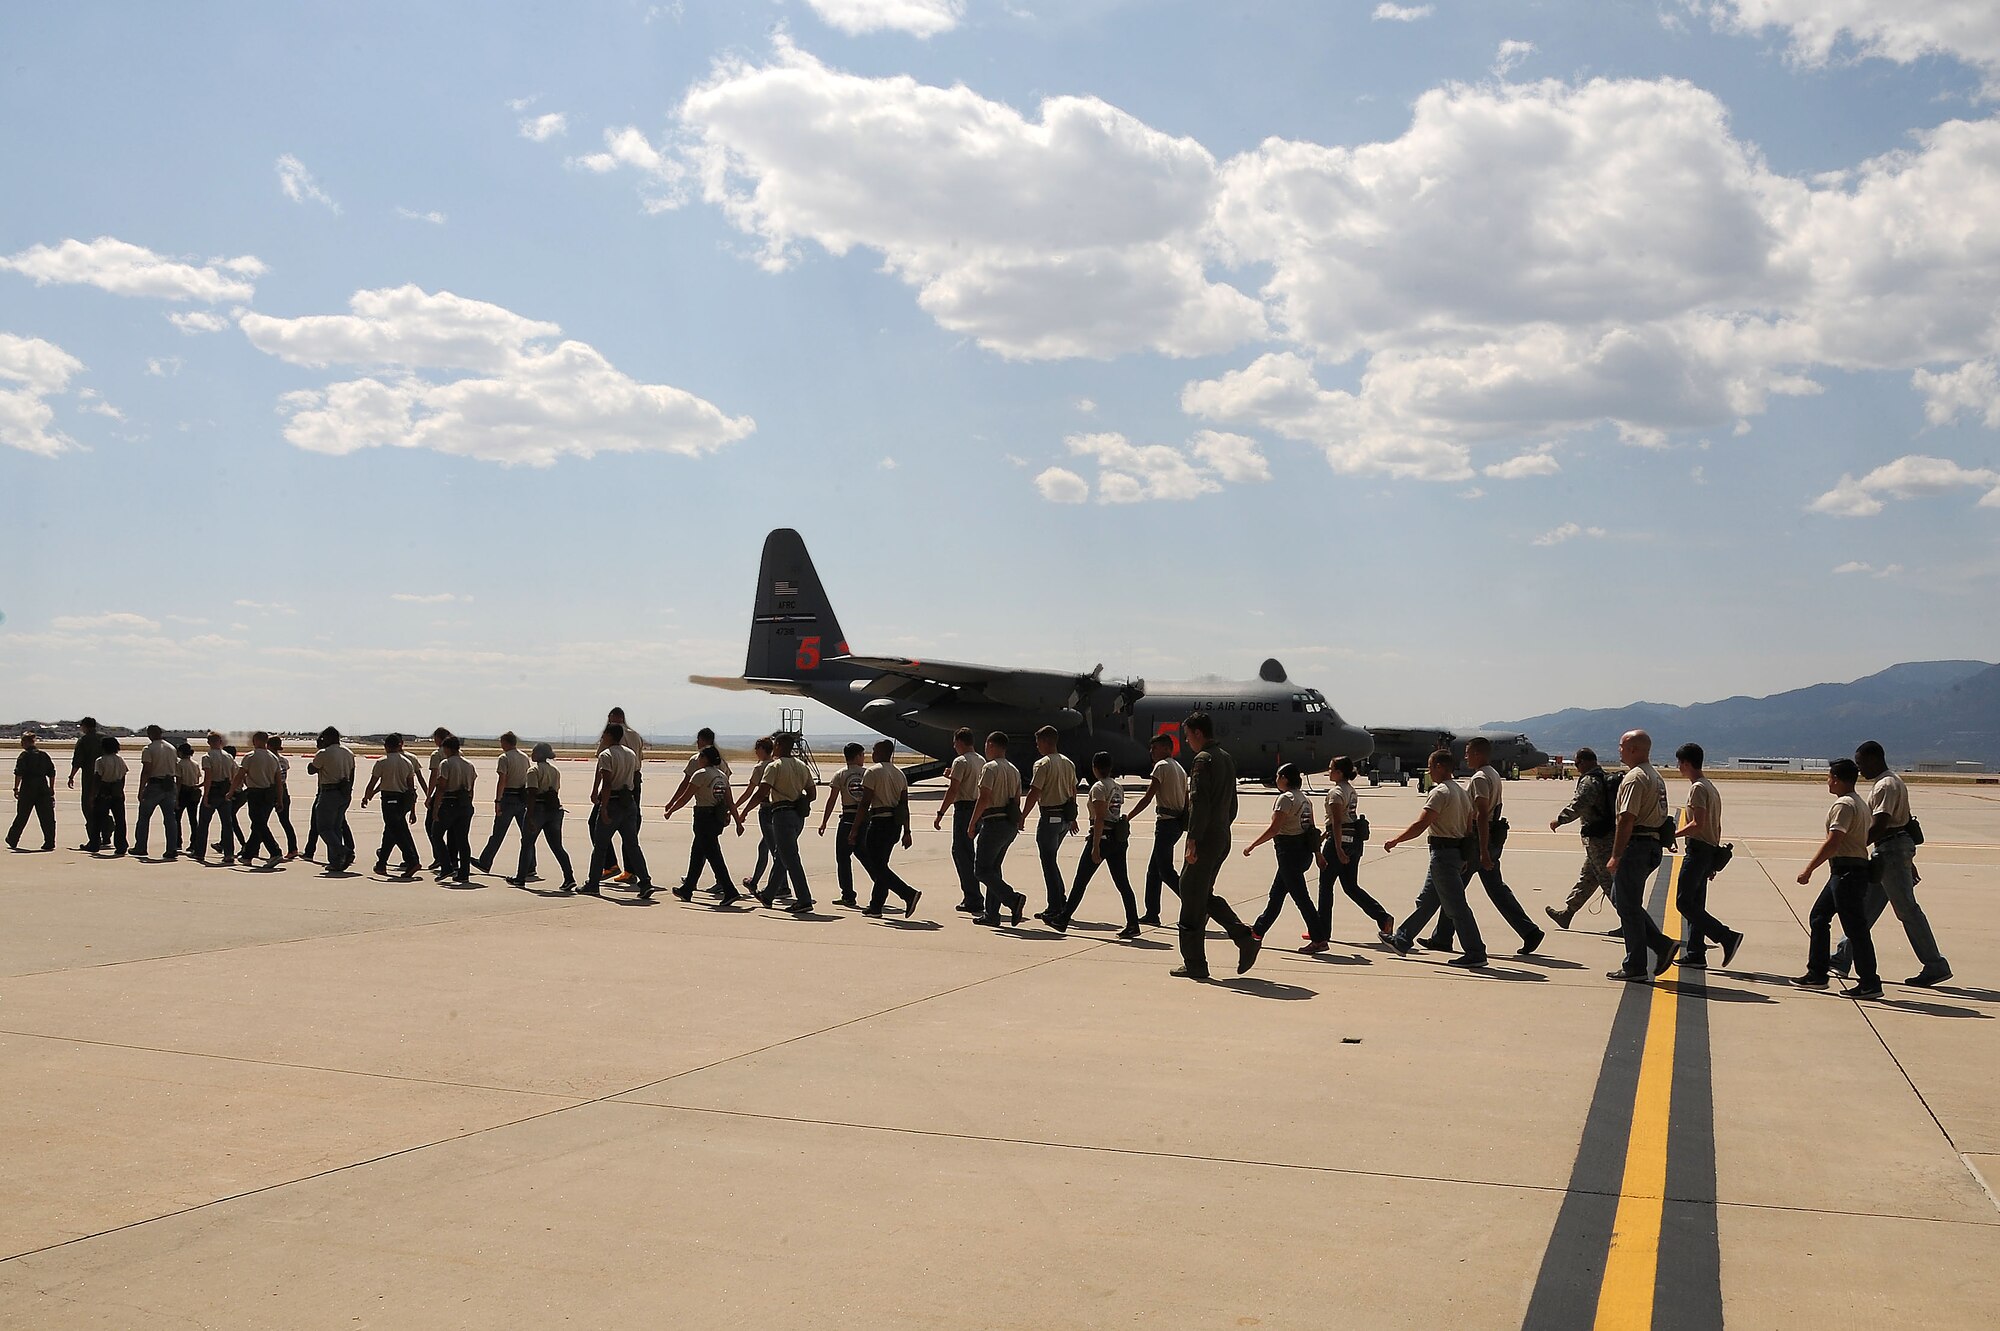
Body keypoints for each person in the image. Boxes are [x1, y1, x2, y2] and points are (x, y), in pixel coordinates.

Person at [1835, 741, 1950, 988]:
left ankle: (1935, 965)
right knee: (1865, 909)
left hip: (1890, 850)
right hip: (1891, 851)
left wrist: (1856, 848)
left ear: (1875, 759)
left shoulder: (1886, 784)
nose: (1859, 769)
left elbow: (1882, 823)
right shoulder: (1887, 782)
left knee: (1907, 910)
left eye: (1861, 763)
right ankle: (1842, 957)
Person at [1421, 736, 1543, 955]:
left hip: (1479, 842)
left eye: (1468, 752)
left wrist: (1483, 850)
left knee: (1451, 890)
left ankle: (1443, 938)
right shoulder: (1493, 774)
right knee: (1495, 890)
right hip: (1491, 839)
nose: (1465, 757)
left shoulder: (1479, 778)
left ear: (1477, 753)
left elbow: (1483, 814)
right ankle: (1529, 931)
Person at [1172, 712, 1259, 981]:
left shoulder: (1203, 760)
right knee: (1200, 894)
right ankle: (1242, 937)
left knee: (1189, 894)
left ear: (1198, 733)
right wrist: (1222, 828)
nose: (1187, 742)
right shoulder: (1225, 757)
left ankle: (1200, 960)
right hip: (1221, 834)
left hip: (1206, 837)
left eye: (1188, 736)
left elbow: (1199, 803)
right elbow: (1231, 803)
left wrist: (1193, 839)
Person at [1382, 750, 1485, 969]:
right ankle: (1402, 940)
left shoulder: (1440, 792)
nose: (1429, 771)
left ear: (1439, 766)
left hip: (1443, 854)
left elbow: (1421, 824)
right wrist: (1464, 856)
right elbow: (1469, 826)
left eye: (1430, 766)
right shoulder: (1462, 791)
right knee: (1427, 902)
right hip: (1455, 853)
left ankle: (1475, 951)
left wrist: (1396, 840)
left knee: (1456, 907)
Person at [1793, 759, 1883, 1000]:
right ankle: (1817, 973)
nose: (1828, 781)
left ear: (1839, 779)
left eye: (1830, 777)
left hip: (1847, 872)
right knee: (1819, 916)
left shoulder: (1844, 805)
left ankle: (1869, 982)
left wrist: (1809, 869)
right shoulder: (1859, 803)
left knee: (1855, 928)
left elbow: (1834, 841)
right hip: (1847, 871)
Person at [1604, 729, 1679, 982]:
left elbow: (1626, 819)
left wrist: (1616, 854)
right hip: (1650, 845)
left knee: (1628, 907)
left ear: (1634, 749)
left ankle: (1636, 964)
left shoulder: (1635, 778)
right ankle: (1660, 945)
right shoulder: (1655, 776)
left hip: (1636, 846)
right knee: (1622, 899)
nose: (1619, 750)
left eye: (1622, 746)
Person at [1057, 750, 1140, 938]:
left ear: (1095, 768)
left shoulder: (1098, 788)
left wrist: (1095, 847)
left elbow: (1100, 818)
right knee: (1123, 883)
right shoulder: (1118, 787)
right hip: (1117, 840)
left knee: (1081, 880)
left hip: (1102, 838)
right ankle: (1133, 922)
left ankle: (1063, 918)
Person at [1675, 743, 1743, 968]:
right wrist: (1713, 860)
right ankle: (1696, 952)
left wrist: (1672, 835)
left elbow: (1698, 823)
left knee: (1684, 902)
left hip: (1697, 852)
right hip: (1708, 851)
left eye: (1679, 763)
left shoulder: (1697, 788)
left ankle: (1726, 936)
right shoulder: (1710, 787)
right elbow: (1717, 826)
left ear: (1686, 763)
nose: (1678, 768)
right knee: (1696, 904)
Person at [1315, 755, 1393, 947]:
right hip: (1355, 841)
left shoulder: (1335, 794)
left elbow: (1337, 821)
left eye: (1331, 769)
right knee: (1350, 886)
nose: (1329, 772)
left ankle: (1322, 932)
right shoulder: (1351, 790)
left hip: (1340, 842)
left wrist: (1338, 848)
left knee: (1326, 886)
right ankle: (1383, 918)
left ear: (1339, 772)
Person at [1243, 763, 1319, 948]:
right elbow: (1312, 830)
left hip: (1289, 852)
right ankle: (1258, 931)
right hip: (1303, 852)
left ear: (1284, 778)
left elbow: (1274, 829)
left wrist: (1252, 845)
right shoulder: (1305, 799)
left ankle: (1319, 937)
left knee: (1301, 898)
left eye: (1278, 776)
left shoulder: (1285, 799)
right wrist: (1317, 854)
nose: (1276, 779)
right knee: (1276, 895)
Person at [1546, 746, 1615, 930]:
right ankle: (1567, 913)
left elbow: (1580, 803)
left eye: (1577, 763)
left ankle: (1632, 921)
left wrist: (1560, 820)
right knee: (1589, 877)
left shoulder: (1590, 781)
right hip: (1602, 837)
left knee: (1609, 883)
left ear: (1585, 762)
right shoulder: (1604, 777)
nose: (1577, 768)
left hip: (1599, 839)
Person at [745, 733, 815, 912]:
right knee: (782, 855)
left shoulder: (774, 767)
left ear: (778, 745)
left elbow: (762, 793)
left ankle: (804, 899)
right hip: (798, 816)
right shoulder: (802, 766)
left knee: (790, 858)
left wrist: (745, 811)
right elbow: (812, 794)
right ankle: (768, 895)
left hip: (781, 814)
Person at [853, 740, 920, 917]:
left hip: (879, 822)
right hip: (895, 826)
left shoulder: (872, 772)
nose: (872, 752)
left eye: (874, 749)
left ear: (881, 751)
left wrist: (854, 829)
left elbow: (865, 803)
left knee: (877, 867)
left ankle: (908, 893)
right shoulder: (900, 774)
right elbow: (904, 805)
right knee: (882, 864)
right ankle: (876, 906)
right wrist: (907, 831)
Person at [1126, 733, 1188, 926]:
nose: (1151, 752)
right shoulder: (1180, 768)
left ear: (1167, 749)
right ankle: (1152, 913)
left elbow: (1148, 797)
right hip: (1177, 822)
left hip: (1166, 823)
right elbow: (1187, 799)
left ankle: (1198, 905)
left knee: (1165, 870)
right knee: (1154, 870)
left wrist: (1128, 817)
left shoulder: (1161, 767)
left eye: (1155, 748)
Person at [667, 745, 741, 905]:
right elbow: (730, 802)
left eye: (701, 757)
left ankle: (730, 890)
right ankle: (687, 889)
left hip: (703, 817)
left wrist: (671, 810)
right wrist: (737, 821)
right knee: (697, 854)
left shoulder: (700, 774)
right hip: (716, 819)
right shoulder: (722, 775)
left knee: (714, 856)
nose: (698, 760)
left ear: (706, 759)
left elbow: (686, 797)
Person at [967, 731, 1027, 927]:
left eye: (986, 745)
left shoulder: (990, 768)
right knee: (993, 869)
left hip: (993, 822)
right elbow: (1017, 800)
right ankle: (992, 914)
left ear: (991, 745)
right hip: (1009, 824)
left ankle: (1012, 899)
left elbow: (984, 798)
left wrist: (972, 822)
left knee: (981, 870)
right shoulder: (1014, 770)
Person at [584, 722, 650, 898]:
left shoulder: (606, 755)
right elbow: (635, 777)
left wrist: (603, 807)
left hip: (612, 801)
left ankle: (592, 883)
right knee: (632, 845)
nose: (602, 737)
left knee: (600, 846)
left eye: (604, 734)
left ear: (610, 736)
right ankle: (645, 881)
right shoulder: (631, 754)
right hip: (628, 801)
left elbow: (607, 783)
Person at [1023, 726, 1080, 926]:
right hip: (1065, 818)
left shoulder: (1043, 764)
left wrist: (1022, 816)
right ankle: (1059, 901)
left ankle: (1055, 906)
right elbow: (1073, 790)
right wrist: (1073, 818)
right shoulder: (1068, 763)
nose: (1037, 746)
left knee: (1048, 861)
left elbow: (1035, 792)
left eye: (1038, 742)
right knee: (1052, 860)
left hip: (1050, 817)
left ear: (1046, 742)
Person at [932, 727, 985, 914]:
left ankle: (973, 897)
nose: (954, 747)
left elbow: (953, 790)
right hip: (978, 808)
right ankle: (974, 894)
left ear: (960, 742)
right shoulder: (981, 760)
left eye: (955, 743)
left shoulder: (961, 761)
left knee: (962, 853)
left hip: (964, 810)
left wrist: (940, 813)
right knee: (970, 852)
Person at [360, 732, 427, 879]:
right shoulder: (407, 762)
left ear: (386, 746)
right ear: (399, 745)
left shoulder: (382, 762)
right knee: (392, 831)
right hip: (403, 800)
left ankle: (411, 861)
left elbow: (373, 782)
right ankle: (382, 863)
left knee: (397, 833)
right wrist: (412, 805)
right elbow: (411, 786)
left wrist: (367, 796)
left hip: (389, 799)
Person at [517, 742, 576, 891]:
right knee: (557, 847)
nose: (532, 753)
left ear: (540, 754)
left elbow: (532, 794)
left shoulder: (533, 771)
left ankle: (520, 878)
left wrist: (529, 816)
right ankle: (569, 877)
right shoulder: (555, 770)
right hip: (554, 810)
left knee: (527, 844)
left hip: (538, 809)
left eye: (534, 751)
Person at [817, 743, 869, 908]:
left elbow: (832, 799)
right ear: (857, 756)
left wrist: (824, 821)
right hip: (866, 817)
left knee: (843, 857)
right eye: (862, 755)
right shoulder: (868, 773)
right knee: (865, 855)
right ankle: (881, 884)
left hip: (847, 816)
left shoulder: (840, 774)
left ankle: (847, 894)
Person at [473, 731, 532, 875]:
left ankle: (485, 861)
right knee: (527, 834)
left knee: (498, 833)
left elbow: (502, 780)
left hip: (508, 797)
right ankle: (530, 865)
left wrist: (498, 800)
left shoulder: (504, 758)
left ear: (506, 742)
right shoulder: (524, 757)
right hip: (522, 797)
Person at [735, 737, 784, 897]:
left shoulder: (761, 767)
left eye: (757, 749)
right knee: (764, 847)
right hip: (779, 808)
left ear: (762, 749)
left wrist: (738, 808)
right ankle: (754, 881)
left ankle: (781, 886)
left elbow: (751, 792)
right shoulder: (778, 764)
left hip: (766, 809)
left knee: (775, 850)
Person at [232, 731, 287, 869]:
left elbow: (239, 776)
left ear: (255, 741)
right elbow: (279, 781)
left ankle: (275, 852)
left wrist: (231, 791)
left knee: (259, 824)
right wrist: (279, 799)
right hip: (269, 794)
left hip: (255, 794)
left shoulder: (250, 757)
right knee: (258, 825)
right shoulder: (273, 758)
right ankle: (247, 855)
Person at [429, 734, 478, 885]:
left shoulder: (446, 763)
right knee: (462, 840)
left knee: (436, 835)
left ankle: (446, 866)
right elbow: (472, 788)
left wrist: (436, 808)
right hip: (465, 804)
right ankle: (464, 872)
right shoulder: (469, 764)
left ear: (448, 748)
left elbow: (441, 787)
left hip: (449, 803)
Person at [606, 707, 646, 883]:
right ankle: (631, 871)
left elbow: (603, 760)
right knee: (631, 824)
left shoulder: (613, 735)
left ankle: (611, 864)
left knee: (597, 825)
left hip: (616, 782)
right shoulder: (636, 735)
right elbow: (640, 759)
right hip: (634, 780)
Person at [309, 728, 358, 873]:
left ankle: (343, 851)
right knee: (336, 828)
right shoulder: (348, 753)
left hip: (329, 791)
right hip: (344, 792)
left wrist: (319, 749)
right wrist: (349, 791)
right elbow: (352, 772)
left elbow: (312, 769)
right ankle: (335, 861)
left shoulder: (324, 753)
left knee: (324, 828)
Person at [133, 724, 182, 859]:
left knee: (144, 817)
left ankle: (141, 846)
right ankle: (172, 848)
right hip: (169, 784)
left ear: (150, 735)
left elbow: (147, 770)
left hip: (155, 784)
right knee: (170, 819)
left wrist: (141, 788)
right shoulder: (171, 748)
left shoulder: (148, 749)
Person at [8, 728, 57, 852]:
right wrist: (51, 789)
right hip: (42, 787)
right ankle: (49, 841)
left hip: (28, 787)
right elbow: (52, 773)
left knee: (22, 815)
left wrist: (15, 788)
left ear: (26, 742)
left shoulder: (24, 756)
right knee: (47, 817)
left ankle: (13, 838)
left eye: (22, 742)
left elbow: (19, 773)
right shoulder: (43, 755)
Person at [196, 732, 239, 865]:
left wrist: (206, 795)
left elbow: (208, 777)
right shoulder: (228, 757)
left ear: (209, 742)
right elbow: (234, 776)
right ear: (220, 741)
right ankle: (229, 853)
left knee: (203, 823)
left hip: (214, 790)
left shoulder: (207, 757)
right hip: (225, 790)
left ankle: (199, 852)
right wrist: (231, 791)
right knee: (227, 824)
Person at [67, 716, 108, 852]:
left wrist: (71, 775)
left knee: (89, 808)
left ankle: (94, 839)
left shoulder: (84, 740)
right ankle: (107, 833)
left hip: (90, 779)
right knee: (105, 806)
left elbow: (77, 760)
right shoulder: (105, 738)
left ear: (85, 726)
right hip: (107, 779)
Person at [91, 736, 130, 856]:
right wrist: (120, 790)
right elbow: (123, 776)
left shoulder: (100, 760)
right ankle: (121, 845)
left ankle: (94, 844)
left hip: (104, 791)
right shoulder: (120, 759)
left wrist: (93, 795)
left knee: (97, 819)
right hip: (117, 792)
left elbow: (97, 778)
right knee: (120, 820)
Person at [424, 728, 453, 870]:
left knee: (430, 825)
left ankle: (439, 856)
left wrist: (429, 796)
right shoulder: (457, 753)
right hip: (455, 793)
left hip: (441, 792)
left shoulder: (436, 754)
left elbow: (434, 776)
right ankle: (451, 857)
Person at [270, 736, 302, 862]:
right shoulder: (284, 760)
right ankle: (293, 848)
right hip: (284, 790)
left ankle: (252, 849)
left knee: (260, 822)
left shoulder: (271, 760)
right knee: (285, 821)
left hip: (273, 789)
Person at [176, 741, 203, 851]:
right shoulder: (195, 764)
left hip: (183, 791)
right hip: (194, 791)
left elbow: (179, 781)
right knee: (193, 818)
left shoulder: (179, 764)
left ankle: (178, 842)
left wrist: (176, 797)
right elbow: (197, 777)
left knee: (177, 818)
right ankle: (194, 843)